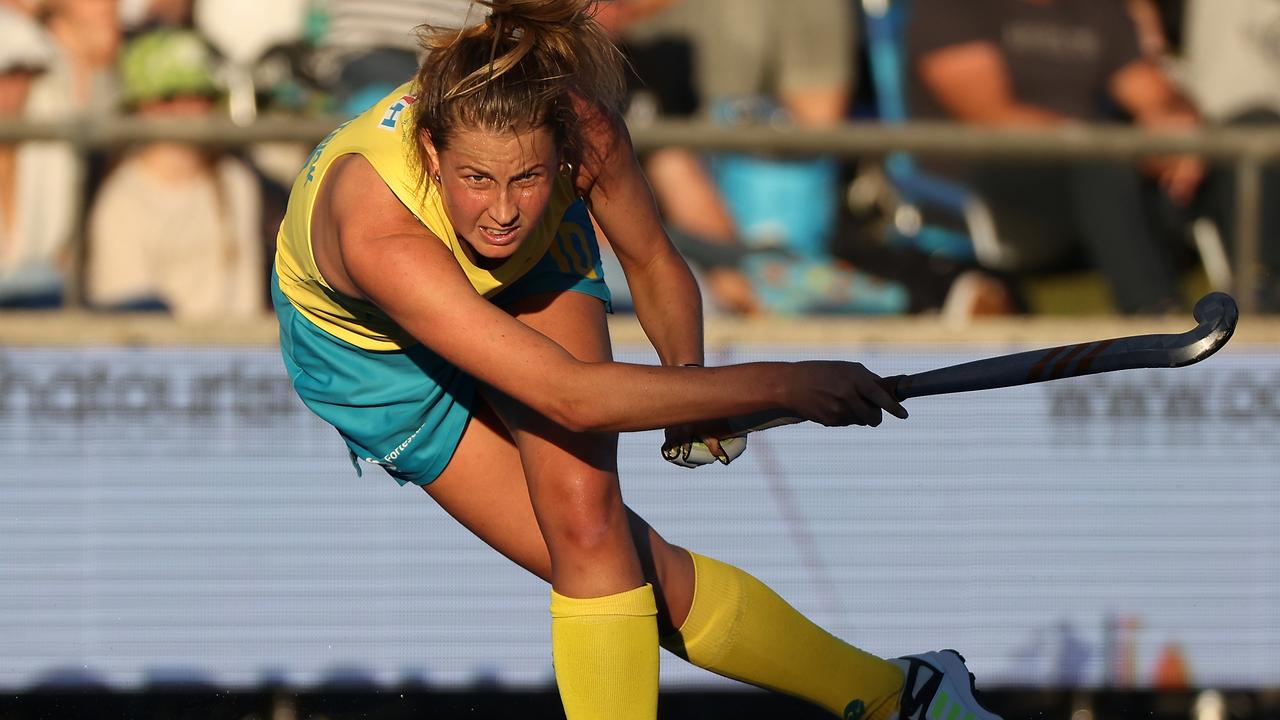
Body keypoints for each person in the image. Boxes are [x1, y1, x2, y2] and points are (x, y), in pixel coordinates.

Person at [272, 1, 1003, 719]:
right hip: (372, 355)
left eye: (529, 178)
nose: (502, 212)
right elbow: (571, 397)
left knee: (589, 527)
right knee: (621, 558)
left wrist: (690, 379)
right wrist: (790, 382)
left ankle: (896, 700)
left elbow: (651, 258)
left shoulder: (582, 126)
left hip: (534, 275)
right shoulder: (378, 231)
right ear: (432, 153)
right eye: (476, 180)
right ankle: (895, 695)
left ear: (560, 151)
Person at [907, 0, 1204, 315]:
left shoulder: (1098, 9)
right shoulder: (951, 8)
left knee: (1245, 136)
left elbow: (1156, 96)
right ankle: (1157, 319)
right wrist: (1107, 143)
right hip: (996, 184)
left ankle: (1256, 305)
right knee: (1099, 159)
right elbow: (991, 117)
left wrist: (1179, 133)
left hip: (1101, 177)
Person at [85, 29, 268, 319]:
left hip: (232, 358)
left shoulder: (236, 181)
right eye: (171, 98)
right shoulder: (120, 201)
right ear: (140, 107)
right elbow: (126, 325)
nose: (191, 110)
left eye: (202, 96)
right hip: (156, 360)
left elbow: (248, 306)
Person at [0, 5, 61, 307]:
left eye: (22, 76)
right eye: (3, 75)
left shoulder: (55, 159)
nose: (12, 91)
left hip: (40, 325)